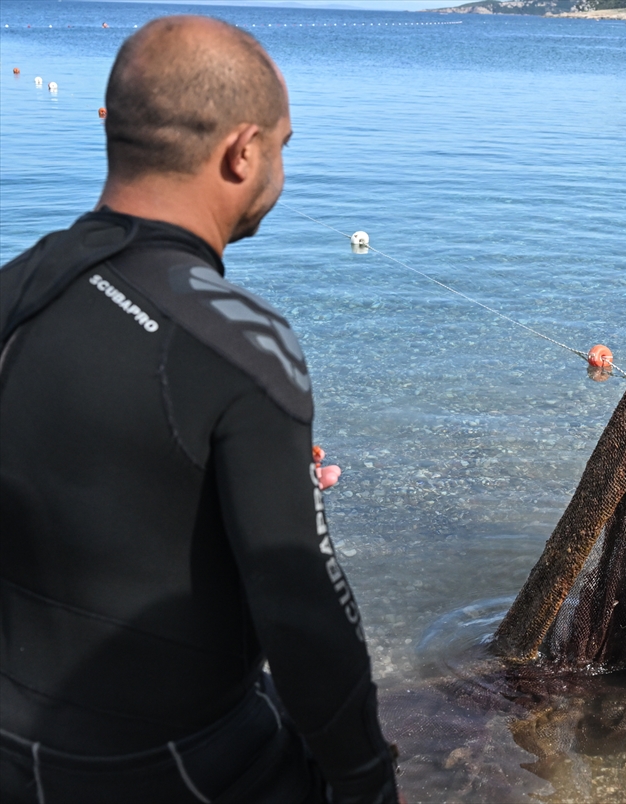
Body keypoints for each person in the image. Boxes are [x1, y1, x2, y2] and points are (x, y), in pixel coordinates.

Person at [0, 16, 398, 804]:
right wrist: (368, 781)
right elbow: (305, 619)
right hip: (166, 766)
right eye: (284, 145)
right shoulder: (240, 342)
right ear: (243, 152)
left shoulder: (15, 288)